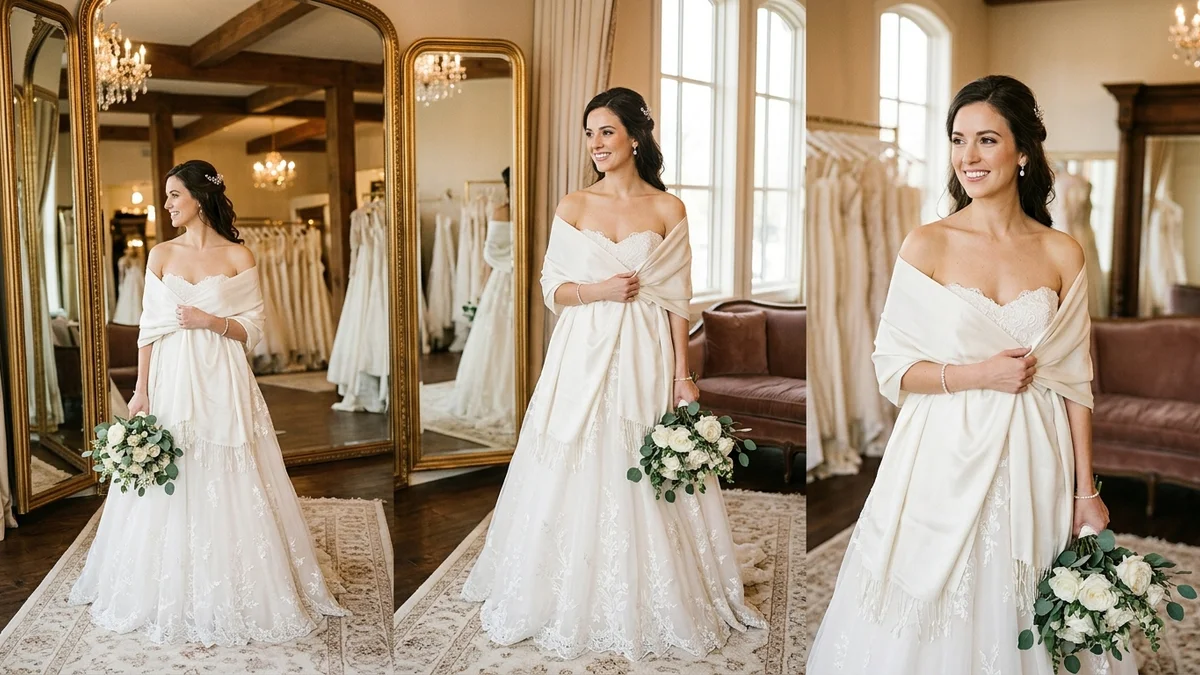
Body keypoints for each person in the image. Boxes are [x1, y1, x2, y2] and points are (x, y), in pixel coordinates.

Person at [807, 75, 1132, 674]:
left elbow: (1075, 381)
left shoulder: (1063, 253)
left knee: (1029, 582)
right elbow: (893, 367)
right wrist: (978, 373)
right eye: (959, 141)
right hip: (942, 447)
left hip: (1036, 449)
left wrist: (1087, 491)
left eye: (986, 140)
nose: (969, 157)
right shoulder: (926, 245)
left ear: (1024, 151)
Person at [460, 87, 766, 661]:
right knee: (577, 452)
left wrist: (684, 376)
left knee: (638, 452)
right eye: (590, 133)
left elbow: (679, 301)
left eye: (606, 131)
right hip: (581, 351)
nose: (596, 144)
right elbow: (553, 288)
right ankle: (561, 581)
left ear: (635, 135)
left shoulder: (668, 209)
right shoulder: (573, 206)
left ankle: (661, 582)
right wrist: (600, 289)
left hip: (647, 350)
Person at [68, 160, 347, 647]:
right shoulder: (160, 254)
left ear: (198, 197)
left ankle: (241, 579)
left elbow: (253, 331)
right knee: (175, 463)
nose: (168, 204)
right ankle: (162, 584)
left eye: (174, 195)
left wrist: (208, 319)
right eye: (168, 196)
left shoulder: (239, 256)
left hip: (223, 375)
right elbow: (149, 330)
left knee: (228, 466)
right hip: (173, 376)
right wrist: (141, 390)